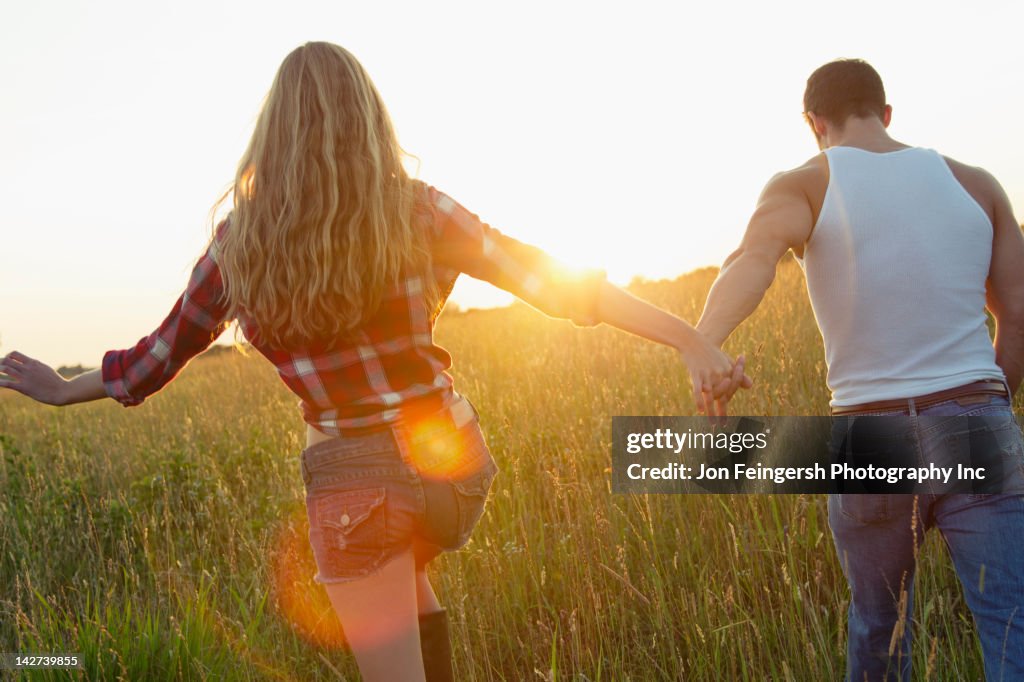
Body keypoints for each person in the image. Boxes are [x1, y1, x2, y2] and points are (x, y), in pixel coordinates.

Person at [0, 42, 749, 681]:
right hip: (455, 473)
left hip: (356, 490)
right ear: (368, 117)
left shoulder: (240, 246)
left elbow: (154, 359)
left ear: (271, 134)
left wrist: (65, 390)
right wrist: (689, 338)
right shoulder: (417, 209)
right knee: (412, 599)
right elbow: (558, 283)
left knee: (378, 571)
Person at [689, 58, 1024, 680]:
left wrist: (705, 343)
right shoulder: (977, 184)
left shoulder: (806, 183)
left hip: (871, 434)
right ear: (886, 113)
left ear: (814, 123)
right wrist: (990, 407)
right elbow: (1020, 315)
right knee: (1012, 619)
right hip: (978, 414)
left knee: (881, 628)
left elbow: (753, 259)